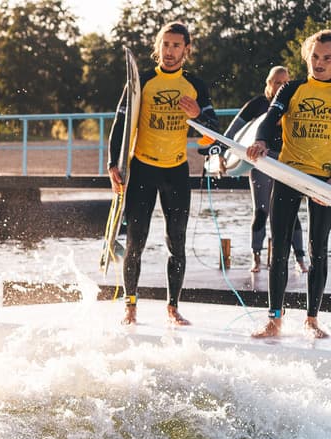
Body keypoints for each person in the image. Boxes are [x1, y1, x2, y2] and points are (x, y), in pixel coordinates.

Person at [107, 21, 219, 327]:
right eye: (165, 45)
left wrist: (198, 115)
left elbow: (213, 132)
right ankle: (130, 305)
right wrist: (112, 164)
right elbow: (121, 124)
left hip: (176, 172)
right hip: (143, 169)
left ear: (187, 49)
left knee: (177, 242)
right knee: (135, 241)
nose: (169, 52)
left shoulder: (196, 85)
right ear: (158, 47)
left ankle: (173, 307)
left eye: (176, 46)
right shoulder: (141, 81)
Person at [248, 30, 331, 340]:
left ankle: (312, 319)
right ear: (306, 57)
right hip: (288, 174)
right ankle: (275, 319)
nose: (320, 63)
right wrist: (261, 141)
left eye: (327, 58)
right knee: (279, 247)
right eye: (315, 57)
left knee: (318, 250)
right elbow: (270, 118)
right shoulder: (291, 89)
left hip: (323, 180)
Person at [222, 67, 307, 274]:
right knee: (261, 210)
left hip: (287, 163)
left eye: (284, 82)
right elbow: (232, 131)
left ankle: (300, 258)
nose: (280, 86)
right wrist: (220, 155)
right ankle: (256, 257)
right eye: (276, 82)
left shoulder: (292, 103)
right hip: (261, 162)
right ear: (268, 84)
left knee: (291, 212)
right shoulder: (258, 104)